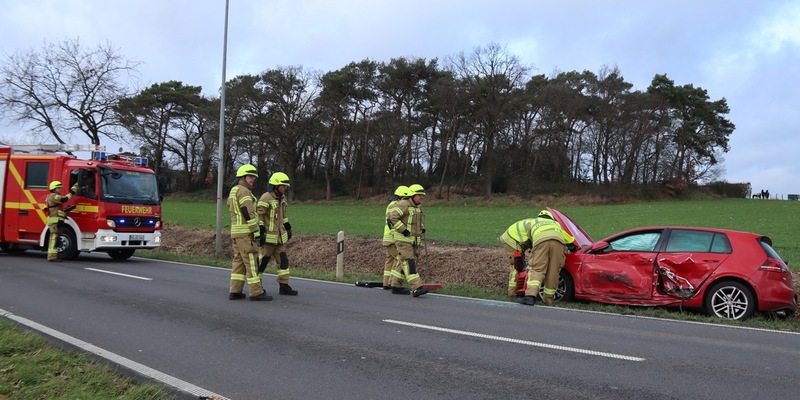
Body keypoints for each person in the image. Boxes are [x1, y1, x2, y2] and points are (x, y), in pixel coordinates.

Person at [227, 164, 272, 301]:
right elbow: (248, 213)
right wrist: (256, 232)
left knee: (239, 262)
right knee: (252, 262)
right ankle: (256, 292)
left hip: (236, 232)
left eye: (254, 177)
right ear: (243, 176)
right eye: (250, 176)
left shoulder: (233, 190)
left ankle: (235, 291)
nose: (253, 179)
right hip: (246, 233)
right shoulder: (244, 192)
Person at [518, 210, 577, 306]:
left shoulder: (533, 222)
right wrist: (573, 249)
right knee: (554, 271)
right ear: (550, 217)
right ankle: (548, 300)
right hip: (558, 243)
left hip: (541, 242)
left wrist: (526, 248)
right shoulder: (556, 224)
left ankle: (530, 296)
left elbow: (529, 239)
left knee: (537, 269)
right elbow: (570, 240)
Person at [256, 172, 297, 296]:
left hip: (279, 238)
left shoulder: (282, 199)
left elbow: (283, 216)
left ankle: (284, 286)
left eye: (285, 186)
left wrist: (288, 228)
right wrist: (261, 231)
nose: (285, 188)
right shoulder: (266, 197)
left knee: (283, 261)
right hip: (268, 238)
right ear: (275, 186)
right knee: (262, 262)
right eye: (283, 186)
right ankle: (257, 287)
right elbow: (259, 216)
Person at [387, 183, 428, 297]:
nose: (422, 198)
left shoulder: (416, 207)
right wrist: (403, 230)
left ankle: (396, 286)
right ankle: (416, 287)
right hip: (403, 240)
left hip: (412, 240)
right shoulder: (404, 204)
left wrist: (422, 229)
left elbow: (416, 222)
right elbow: (392, 217)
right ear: (413, 195)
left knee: (401, 262)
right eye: (420, 195)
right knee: (409, 262)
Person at [498, 218, 536, 297]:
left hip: (515, 239)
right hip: (512, 241)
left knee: (520, 265)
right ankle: (512, 292)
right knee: (516, 266)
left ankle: (517, 289)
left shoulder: (536, 223)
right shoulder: (537, 226)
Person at [382, 185, 409, 290]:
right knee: (399, 259)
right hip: (393, 237)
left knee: (390, 260)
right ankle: (391, 282)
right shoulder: (396, 206)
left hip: (388, 237)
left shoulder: (391, 204)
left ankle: (386, 282)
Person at [45, 180, 77, 262]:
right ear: (54, 189)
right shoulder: (53, 196)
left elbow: (57, 209)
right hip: (54, 221)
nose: (60, 189)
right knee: (54, 237)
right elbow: (64, 199)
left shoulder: (54, 196)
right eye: (58, 188)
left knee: (56, 238)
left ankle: (54, 255)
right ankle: (51, 256)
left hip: (57, 220)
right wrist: (72, 192)